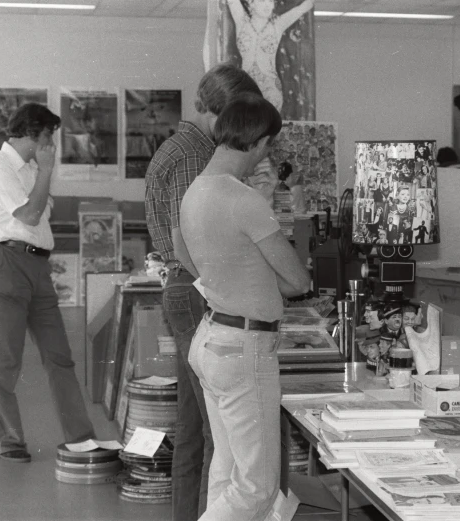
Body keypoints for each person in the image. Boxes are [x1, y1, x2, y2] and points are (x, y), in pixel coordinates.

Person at [180, 92, 310, 521]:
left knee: (229, 469)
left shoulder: (194, 192)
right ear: (256, 143)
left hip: (212, 338)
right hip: (244, 348)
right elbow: (297, 281)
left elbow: (187, 257)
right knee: (257, 489)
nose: (266, 154)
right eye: (268, 145)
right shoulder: (244, 201)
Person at [145, 64, 263, 521]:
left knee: (193, 426)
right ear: (223, 112)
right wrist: (224, 290)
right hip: (196, 291)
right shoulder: (196, 156)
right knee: (222, 430)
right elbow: (186, 240)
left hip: (182, 289)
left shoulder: (179, 148)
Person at [0, 103, 95, 463]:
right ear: (34, 134)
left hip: (37, 266)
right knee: (7, 358)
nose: (53, 144)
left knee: (60, 357)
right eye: (50, 136)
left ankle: (81, 437)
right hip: (6, 262)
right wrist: (45, 172)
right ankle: (7, 440)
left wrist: (41, 172)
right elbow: (29, 214)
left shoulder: (29, 169)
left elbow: (38, 214)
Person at [224, 0, 315, 112]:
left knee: (268, 124)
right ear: (251, 3)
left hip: (270, 87)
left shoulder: (277, 25)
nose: (267, 5)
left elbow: (303, 7)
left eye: (271, 1)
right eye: (262, 1)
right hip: (244, 87)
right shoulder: (241, 21)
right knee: (244, 124)